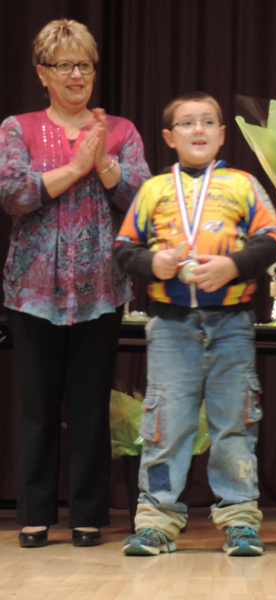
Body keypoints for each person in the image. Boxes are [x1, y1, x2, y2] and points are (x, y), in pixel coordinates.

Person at [0, 19, 151, 548]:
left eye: (84, 64)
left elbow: (142, 202)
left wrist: (102, 161)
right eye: (64, 65)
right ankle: (35, 515)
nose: (76, 74)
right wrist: (75, 166)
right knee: (38, 407)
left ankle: (88, 516)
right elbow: (15, 196)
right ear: (42, 72)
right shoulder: (17, 127)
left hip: (99, 290)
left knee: (90, 407)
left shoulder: (121, 130)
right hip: (32, 292)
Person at [114, 91, 276, 556]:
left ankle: (240, 520)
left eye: (209, 122)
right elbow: (124, 249)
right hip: (171, 326)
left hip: (231, 323)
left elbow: (272, 241)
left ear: (223, 133)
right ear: (169, 137)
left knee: (234, 424)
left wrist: (233, 266)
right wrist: (155, 263)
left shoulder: (244, 184)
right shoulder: (153, 190)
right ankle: (157, 520)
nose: (199, 130)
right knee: (166, 424)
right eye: (187, 123)